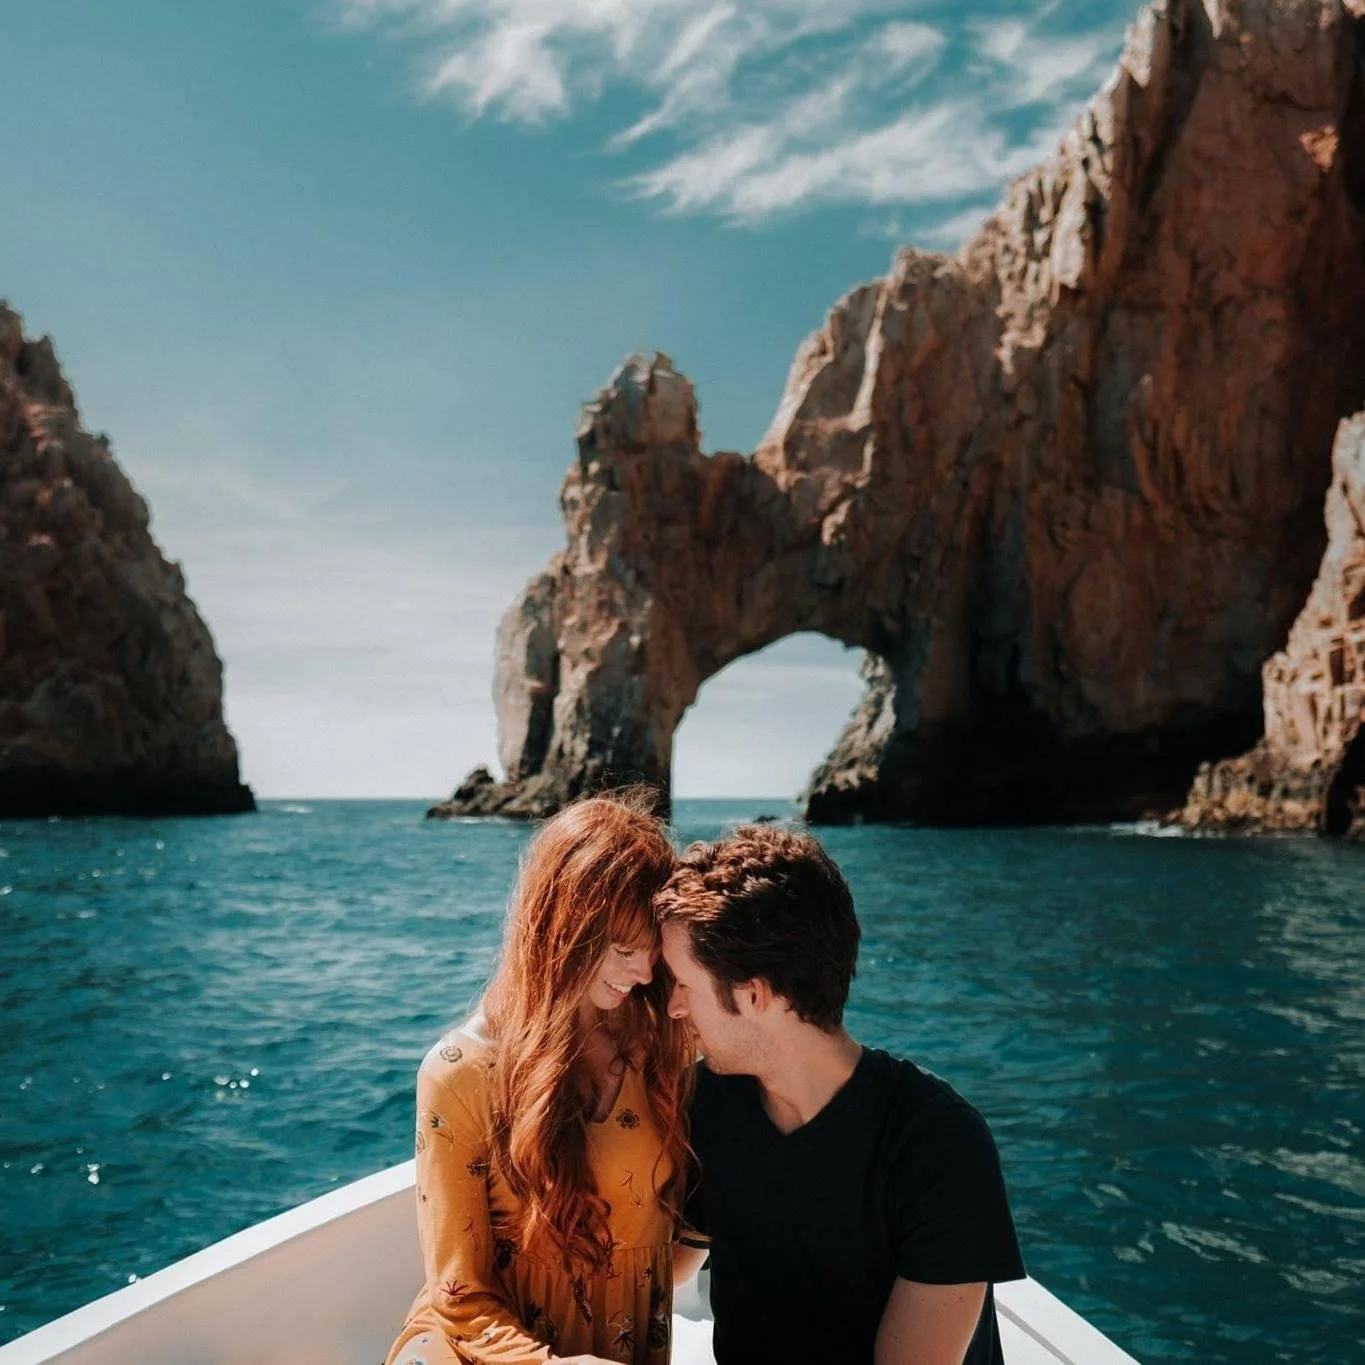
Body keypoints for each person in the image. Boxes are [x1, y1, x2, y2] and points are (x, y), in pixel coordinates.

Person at [656, 824, 1026, 1365]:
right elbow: (669, 1266)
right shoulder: (708, 1102)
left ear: (754, 995)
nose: (674, 1009)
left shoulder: (937, 1141)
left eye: (682, 986)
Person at [386, 792, 693, 1365]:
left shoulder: (664, 1040)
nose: (645, 972)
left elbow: (675, 1245)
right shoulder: (462, 1071)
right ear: (562, 932)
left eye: (654, 950)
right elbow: (460, 1299)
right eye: (624, 949)